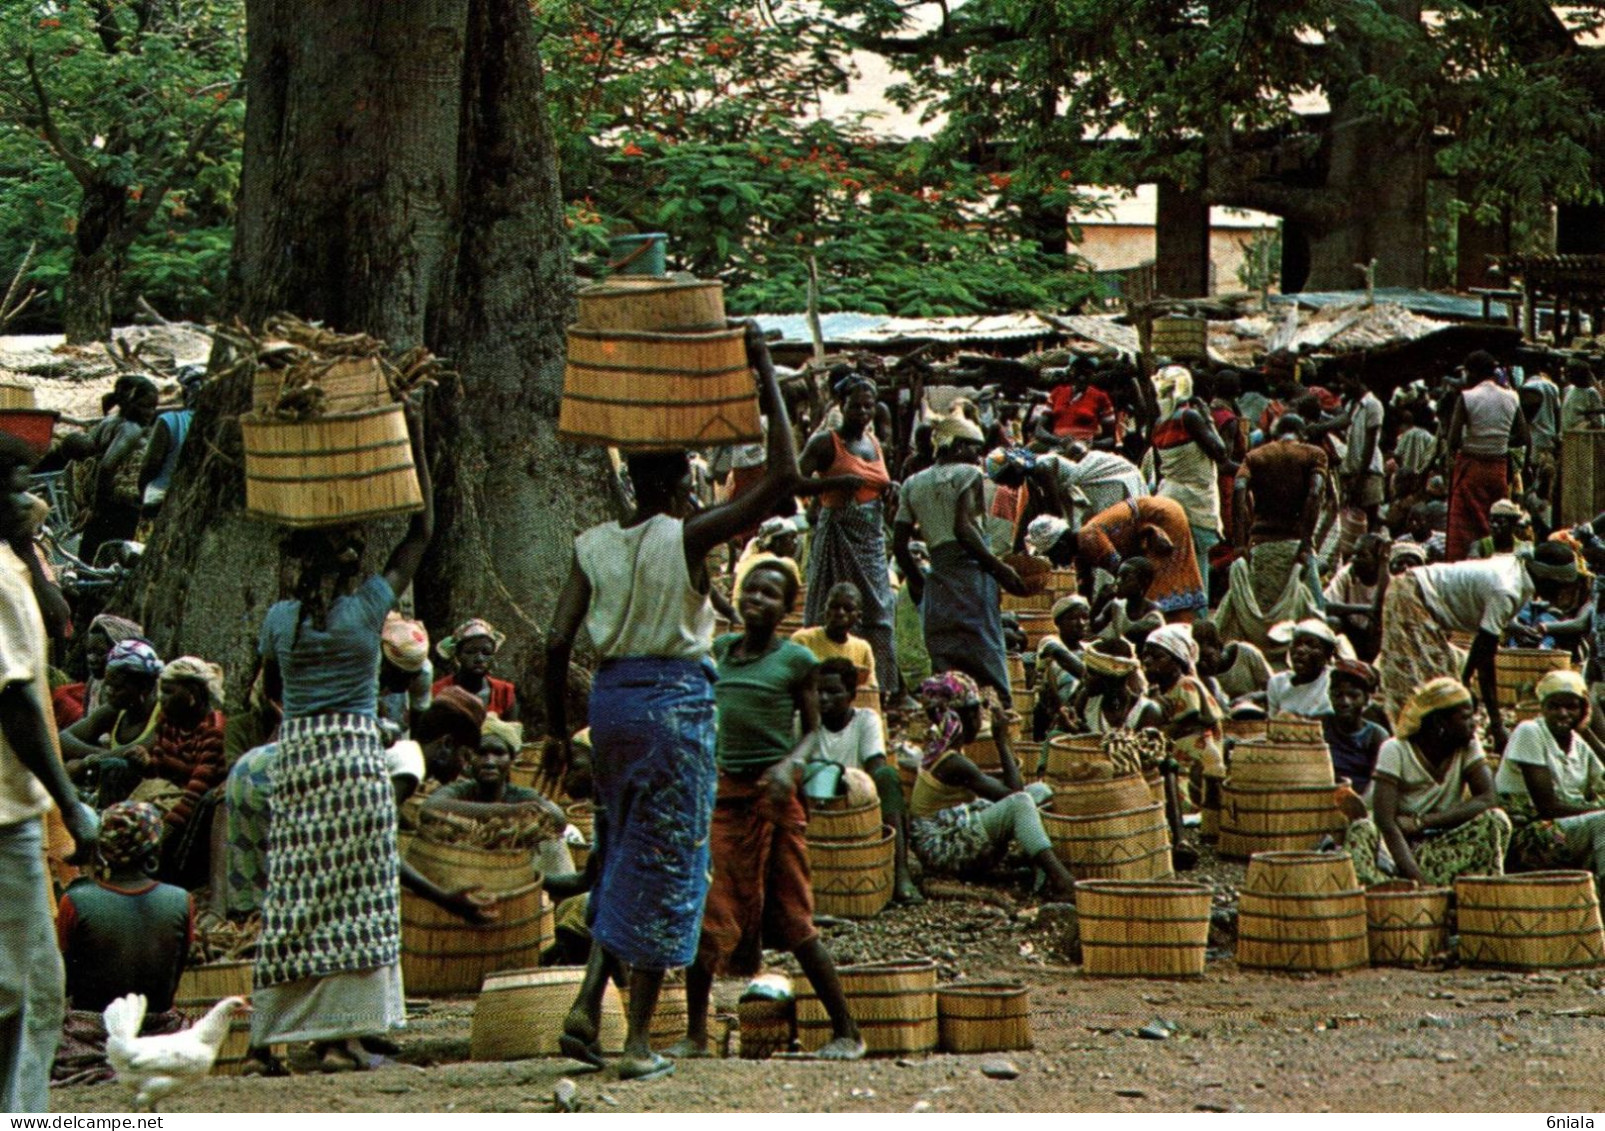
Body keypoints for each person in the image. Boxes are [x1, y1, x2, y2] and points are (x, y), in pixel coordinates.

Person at [543, 322, 804, 1081]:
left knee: (619, 853)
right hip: (672, 709)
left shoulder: (594, 543)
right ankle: (636, 1043)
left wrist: (562, 734)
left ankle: (587, 1008)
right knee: (666, 866)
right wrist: (761, 365)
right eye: (689, 480)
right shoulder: (682, 536)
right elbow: (784, 476)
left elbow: (556, 643)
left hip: (612, 705)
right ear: (674, 483)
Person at [251, 401, 431, 1074]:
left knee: (296, 892)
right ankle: (340, 1038)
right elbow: (423, 529)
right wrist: (412, 436)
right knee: (360, 894)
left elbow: (269, 683)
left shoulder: (279, 618)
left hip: (297, 755)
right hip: (355, 758)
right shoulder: (367, 608)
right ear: (353, 561)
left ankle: (273, 1032)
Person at [676, 558, 863, 1062]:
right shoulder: (718, 654)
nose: (757, 599)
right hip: (725, 797)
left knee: (796, 918)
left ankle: (848, 1030)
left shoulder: (797, 661)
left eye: (771, 594)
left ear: (786, 608)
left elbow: (812, 731)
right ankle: (696, 1033)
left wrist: (788, 768)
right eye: (751, 590)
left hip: (775, 799)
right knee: (709, 911)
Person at [0, 431, 100, 1111]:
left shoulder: (10, 566)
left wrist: (34, 565)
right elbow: (13, 701)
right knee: (30, 989)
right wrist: (72, 800)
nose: (28, 498)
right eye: (11, 486)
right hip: (5, 816)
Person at [1376, 542, 1579, 749]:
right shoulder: (1507, 588)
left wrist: (1512, 627)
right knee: (1426, 687)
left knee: (1444, 686)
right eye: (1561, 587)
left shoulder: (1519, 572)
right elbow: (1484, 657)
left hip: (1420, 595)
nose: (1561, 594)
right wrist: (1496, 722)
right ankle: (1406, 745)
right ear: (1546, 579)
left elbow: (1484, 605)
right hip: (1411, 594)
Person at [894, 413, 1028, 719]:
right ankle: (1000, 724)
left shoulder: (912, 483)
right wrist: (999, 569)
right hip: (971, 574)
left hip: (939, 576)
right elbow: (965, 528)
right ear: (954, 446)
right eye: (972, 448)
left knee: (946, 662)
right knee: (985, 650)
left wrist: (923, 584)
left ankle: (951, 727)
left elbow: (900, 547)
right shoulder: (967, 474)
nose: (978, 456)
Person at [52, 802, 190, 1088]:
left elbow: (64, 978)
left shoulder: (75, 901)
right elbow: (175, 971)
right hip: (161, 1040)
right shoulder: (181, 900)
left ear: (103, 849)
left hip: (89, 1042)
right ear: (153, 849)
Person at [906, 672, 1077, 898]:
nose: (982, 717)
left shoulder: (946, 749)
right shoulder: (953, 763)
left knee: (1040, 791)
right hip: (942, 850)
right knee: (1022, 802)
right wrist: (1002, 741)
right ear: (963, 716)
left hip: (950, 830)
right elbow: (1014, 796)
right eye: (978, 710)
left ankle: (1039, 863)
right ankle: (1060, 879)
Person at [797, 374, 901, 704]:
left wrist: (890, 488)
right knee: (832, 606)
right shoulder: (826, 443)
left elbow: (878, 481)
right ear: (842, 406)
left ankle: (880, 687)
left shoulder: (873, 443)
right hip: (838, 532)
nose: (862, 411)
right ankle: (822, 685)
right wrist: (834, 483)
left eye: (868, 406)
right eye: (855, 405)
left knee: (879, 612)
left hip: (869, 537)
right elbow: (794, 482)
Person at [1346, 678, 1511, 886]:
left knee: (1496, 820)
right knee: (1361, 830)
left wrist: (1422, 822)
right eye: (1466, 717)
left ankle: (1472, 894)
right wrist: (1419, 881)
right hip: (1399, 847)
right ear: (1440, 722)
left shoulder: (1467, 745)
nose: (1474, 724)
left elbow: (1488, 798)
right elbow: (1386, 823)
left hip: (1440, 845)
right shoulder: (1396, 749)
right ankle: (1401, 887)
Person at [1214, 414, 1328, 653]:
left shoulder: (1256, 457)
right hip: (1297, 546)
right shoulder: (1313, 454)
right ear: (1302, 434)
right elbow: (1315, 492)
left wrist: (1239, 544)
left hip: (1262, 546)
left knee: (1256, 612)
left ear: (1274, 435)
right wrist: (1307, 543)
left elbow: (1239, 489)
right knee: (1315, 616)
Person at [809, 658, 919, 903]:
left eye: (833, 691)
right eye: (819, 691)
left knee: (888, 776)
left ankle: (901, 871)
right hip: (817, 801)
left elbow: (875, 767)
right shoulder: (806, 721)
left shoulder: (865, 719)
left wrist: (847, 780)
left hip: (859, 798)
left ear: (851, 694)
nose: (824, 698)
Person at [1496, 670, 1605, 891]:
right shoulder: (1530, 732)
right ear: (1543, 708)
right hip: (1530, 834)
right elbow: (1547, 806)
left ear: (1582, 709)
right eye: (1554, 706)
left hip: (1568, 827)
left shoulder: (1579, 745)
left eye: (1571, 707)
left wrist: (1586, 732)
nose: (1562, 714)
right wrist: (1595, 809)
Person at [54, 372, 159, 562]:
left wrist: (84, 505)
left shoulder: (107, 422)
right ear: (128, 403)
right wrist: (96, 508)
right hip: (118, 505)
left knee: (90, 557)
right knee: (116, 560)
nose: (150, 412)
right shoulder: (130, 429)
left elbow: (74, 466)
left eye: (153, 407)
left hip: (101, 503)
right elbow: (106, 467)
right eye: (144, 406)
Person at [58, 639, 164, 807]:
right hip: (114, 790)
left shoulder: (163, 715)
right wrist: (95, 757)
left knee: (117, 767)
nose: (108, 693)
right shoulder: (117, 709)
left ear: (144, 687)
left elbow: (131, 753)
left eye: (117, 688)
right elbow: (63, 738)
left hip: (146, 797)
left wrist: (86, 763)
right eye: (107, 686)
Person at [1445, 351, 1528, 562]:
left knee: (1465, 529)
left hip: (1471, 468)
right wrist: (1498, 442)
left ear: (1473, 373)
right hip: (1497, 469)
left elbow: (1453, 441)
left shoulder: (1467, 397)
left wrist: (1474, 443)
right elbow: (1523, 436)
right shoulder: (1512, 397)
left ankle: (1463, 567)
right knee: (1495, 522)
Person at [1140, 625, 1225, 832]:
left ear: (1178, 662)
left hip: (1197, 750)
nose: (1148, 662)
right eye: (1146, 657)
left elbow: (1183, 724)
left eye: (1158, 657)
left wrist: (1156, 740)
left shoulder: (1186, 684)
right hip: (1178, 749)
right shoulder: (1156, 691)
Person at [1072, 496, 1208, 622]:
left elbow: (1123, 569)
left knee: (1162, 584)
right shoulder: (1082, 549)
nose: (1058, 562)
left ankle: (1170, 625)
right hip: (1158, 514)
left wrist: (1107, 598)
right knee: (1159, 582)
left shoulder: (1087, 537)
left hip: (1162, 517)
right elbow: (1085, 586)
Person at [1147, 366, 1231, 570]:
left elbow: (1160, 470)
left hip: (1167, 496)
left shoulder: (1159, 423)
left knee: (1175, 566)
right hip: (1195, 502)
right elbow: (1221, 453)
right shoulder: (1189, 417)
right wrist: (1208, 419)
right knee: (1198, 566)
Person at [51, 613, 144, 730]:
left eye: (100, 653)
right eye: (90, 652)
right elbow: (83, 725)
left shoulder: (128, 692)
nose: (92, 659)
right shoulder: (94, 683)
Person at [136, 366, 204, 521]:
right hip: (196, 500)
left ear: (185, 393)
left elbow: (151, 464)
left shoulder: (169, 420)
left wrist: (141, 491)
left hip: (160, 496)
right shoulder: (218, 423)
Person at [1029, 441, 1146, 530]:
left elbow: (1056, 513)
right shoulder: (1068, 474)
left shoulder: (1098, 462)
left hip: (1123, 483)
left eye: (1082, 456)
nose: (1081, 460)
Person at [791, 582, 880, 695]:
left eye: (848, 608)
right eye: (834, 607)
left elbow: (871, 690)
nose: (840, 613)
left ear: (858, 616)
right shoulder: (803, 640)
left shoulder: (863, 648)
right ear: (826, 610)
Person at [1067, 638, 1163, 735]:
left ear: (1110, 678)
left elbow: (1138, 749)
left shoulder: (1148, 711)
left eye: (1090, 673)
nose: (1084, 677)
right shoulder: (1087, 699)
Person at [1323, 659, 1388, 796]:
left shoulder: (1376, 736)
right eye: (1338, 695)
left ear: (1366, 699)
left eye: (1353, 695)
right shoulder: (1322, 725)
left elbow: (1378, 783)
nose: (1345, 702)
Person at [433, 618, 518, 721]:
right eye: (470, 652)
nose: (479, 659)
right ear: (458, 655)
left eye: (486, 652)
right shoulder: (438, 691)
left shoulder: (504, 692)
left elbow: (511, 734)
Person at [1324, 534, 1388, 660]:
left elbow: (1380, 610)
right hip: (1352, 631)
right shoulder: (1347, 573)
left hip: (1374, 637)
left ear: (1376, 561)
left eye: (1362, 555)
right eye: (1354, 554)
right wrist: (1364, 610)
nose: (1354, 559)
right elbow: (1325, 606)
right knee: (1332, 622)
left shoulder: (1387, 578)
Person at [1034, 595, 1090, 734]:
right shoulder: (1050, 642)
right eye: (1073, 618)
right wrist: (1092, 677)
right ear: (1058, 622)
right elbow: (1086, 675)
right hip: (1056, 711)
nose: (1081, 623)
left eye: (1085, 617)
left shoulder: (1090, 648)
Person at [1264, 618, 1339, 718]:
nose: (1300, 650)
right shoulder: (1277, 683)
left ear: (1328, 654)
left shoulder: (1335, 681)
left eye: (1311, 645)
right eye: (1296, 644)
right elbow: (1273, 724)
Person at [1192, 620, 1272, 711]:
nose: (1203, 665)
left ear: (1219, 647)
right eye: (1198, 661)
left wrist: (1251, 697)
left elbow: (1275, 691)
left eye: (1206, 657)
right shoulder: (1202, 674)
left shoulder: (1247, 653)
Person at [377, 612, 432, 743]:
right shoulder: (366, 661)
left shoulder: (423, 670)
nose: (408, 682)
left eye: (411, 676)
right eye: (400, 674)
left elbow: (420, 719)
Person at [1090, 557, 1162, 646]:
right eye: (1118, 577)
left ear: (1143, 582)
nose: (1118, 582)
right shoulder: (1115, 605)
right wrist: (1100, 601)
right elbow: (1094, 627)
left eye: (1125, 578)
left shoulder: (1153, 612)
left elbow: (1130, 634)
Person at [1039, 362, 1116, 445]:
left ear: (1092, 376)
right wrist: (1059, 441)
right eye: (1078, 373)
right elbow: (1039, 430)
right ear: (1071, 374)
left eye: (1086, 374)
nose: (1081, 378)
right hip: (1058, 446)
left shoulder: (1101, 397)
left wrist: (1092, 444)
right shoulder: (1057, 392)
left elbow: (1111, 437)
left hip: (1086, 450)